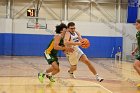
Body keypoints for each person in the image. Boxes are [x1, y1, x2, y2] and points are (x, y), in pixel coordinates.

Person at [131, 19, 140, 87]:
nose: (135, 26)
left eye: (137, 24)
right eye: (135, 24)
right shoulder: (137, 33)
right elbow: (139, 44)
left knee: (135, 65)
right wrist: (134, 50)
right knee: (135, 65)